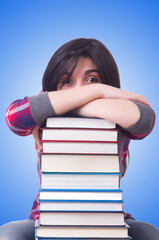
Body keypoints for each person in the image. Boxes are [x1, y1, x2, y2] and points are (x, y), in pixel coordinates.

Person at [1, 38, 158, 240]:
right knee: (7, 235)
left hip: (108, 219)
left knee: (151, 234)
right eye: (66, 81)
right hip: (45, 218)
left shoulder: (118, 110)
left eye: (92, 79)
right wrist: (97, 91)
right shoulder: (48, 105)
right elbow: (13, 118)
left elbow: (144, 121)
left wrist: (67, 106)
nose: (80, 90)